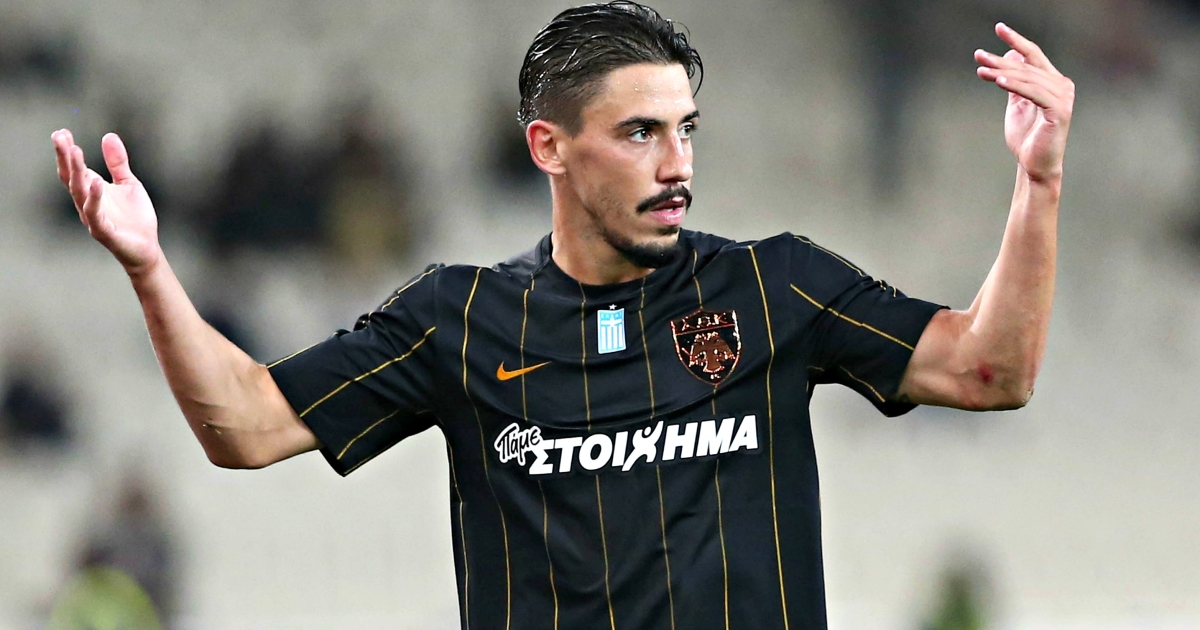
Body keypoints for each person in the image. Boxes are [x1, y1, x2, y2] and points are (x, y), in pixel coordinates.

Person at [49, 2, 1074, 628]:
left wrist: (1038, 182)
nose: (676, 164)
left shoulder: (775, 288)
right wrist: (149, 267)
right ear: (549, 147)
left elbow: (992, 370)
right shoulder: (459, 318)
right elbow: (245, 426)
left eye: (685, 130)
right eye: (639, 133)